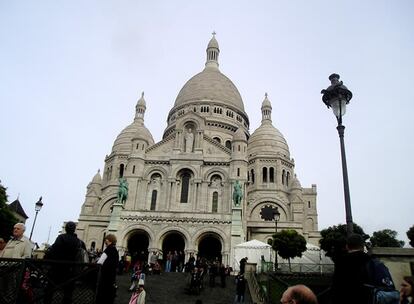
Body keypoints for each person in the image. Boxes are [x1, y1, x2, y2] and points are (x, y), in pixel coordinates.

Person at [331, 233, 396, 304]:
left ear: (347, 246)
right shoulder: (372, 261)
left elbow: (335, 289)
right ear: (363, 246)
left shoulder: (340, 262)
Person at [96, 234, 119, 304]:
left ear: (109, 240)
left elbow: (99, 262)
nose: (105, 240)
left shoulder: (108, 249)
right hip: (112, 275)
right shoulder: (115, 251)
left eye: (106, 239)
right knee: (109, 292)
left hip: (105, 275)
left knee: (102, 292)